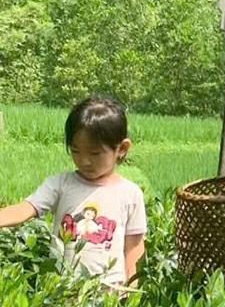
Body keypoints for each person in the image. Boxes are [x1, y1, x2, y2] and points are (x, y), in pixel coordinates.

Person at [0, 95, 146, 288]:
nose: (84, 160)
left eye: (94, 153)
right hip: (63, 289)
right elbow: (26, 208)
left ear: (122, 148)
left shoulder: (130, 193)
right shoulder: (60, 184)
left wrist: (130, 289)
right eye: (76, 151)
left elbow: (133, 248)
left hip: (109, 291)